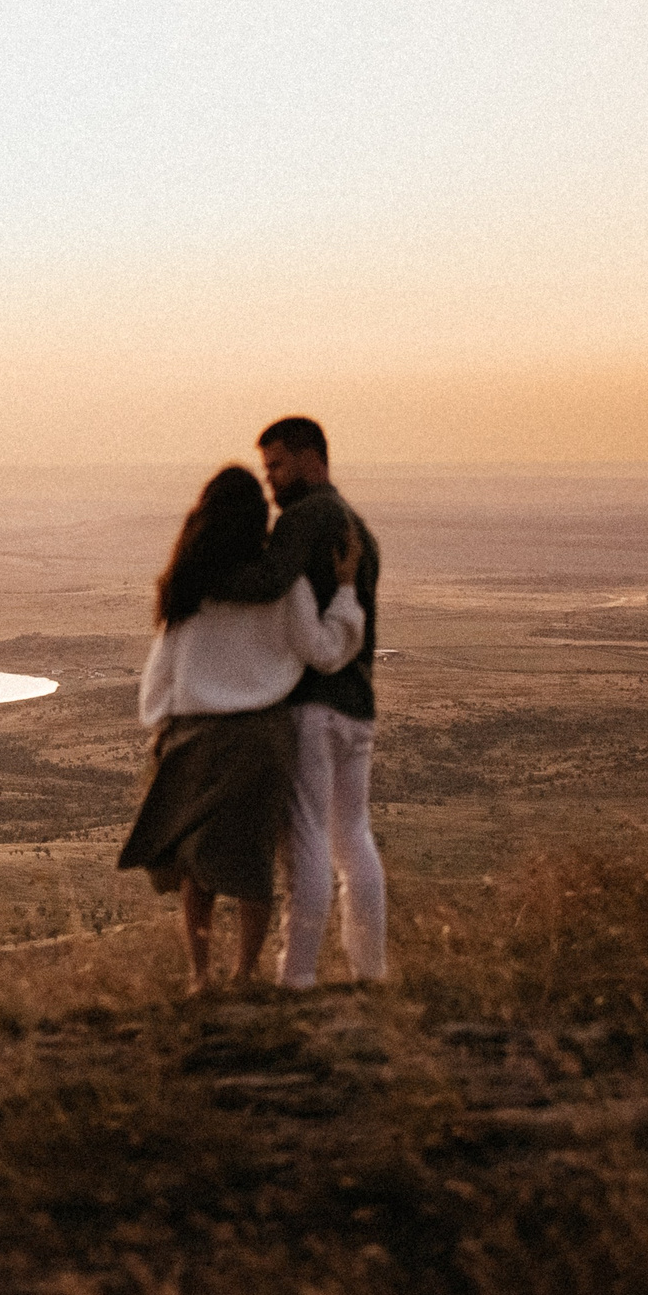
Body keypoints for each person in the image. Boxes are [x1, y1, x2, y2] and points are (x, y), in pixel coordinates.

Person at [120, 464, 365, 993]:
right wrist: (345, 593)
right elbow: (323, 653)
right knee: (251, 860)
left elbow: (163, 667)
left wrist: (160, 726)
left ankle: (201, 977)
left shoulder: (187, 586)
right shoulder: (285, 585)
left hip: (192, 736)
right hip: (260, 739)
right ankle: (246, 974)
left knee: (196, 865)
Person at [216, 416, 386, 988]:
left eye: (278, 466)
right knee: (353, 838)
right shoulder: (359, 526)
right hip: (357, 705)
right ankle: (370, 971)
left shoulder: (306, 517)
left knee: (308, 838)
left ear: (314, 460)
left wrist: (199, 579)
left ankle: (298, 977)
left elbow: (268, 582)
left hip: (313, 704)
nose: (271, 482)